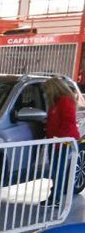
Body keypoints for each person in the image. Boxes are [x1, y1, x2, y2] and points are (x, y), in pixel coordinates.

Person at [43, 77, 81, 205]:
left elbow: (68, 121)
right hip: (55, 141)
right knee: (55, 169)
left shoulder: (65, 101)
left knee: (58, 170)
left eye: (47, 89)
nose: (45, 92)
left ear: (54, 88)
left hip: (63, 142)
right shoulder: (57, 101)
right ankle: (54, 195)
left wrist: (59, 139)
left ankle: (56, 198)